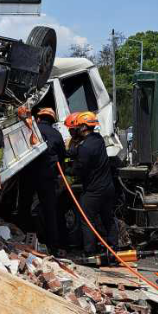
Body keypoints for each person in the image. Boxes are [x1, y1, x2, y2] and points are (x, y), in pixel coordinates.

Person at [66, 110, 118, 256]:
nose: (74, 130)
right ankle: (113, 248)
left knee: (87, 220)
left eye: (76, 127)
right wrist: (69, 153)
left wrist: (66, 170)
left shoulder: (85, 148)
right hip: (108, 188)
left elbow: (79, 169)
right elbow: (79, 150)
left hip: (94, 191)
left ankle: (90, 252)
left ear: (83, 128)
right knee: (108, 219)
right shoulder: (98, 139)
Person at [30, 106, 67, 254]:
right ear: (52, 120)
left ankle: (26, 235)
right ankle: (53, 246)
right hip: (49, 177)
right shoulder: (57, 134)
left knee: (24, 207)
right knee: (50, 210)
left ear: (38, 118)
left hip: (30, 174)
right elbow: (63, 155)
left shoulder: (33, 129)